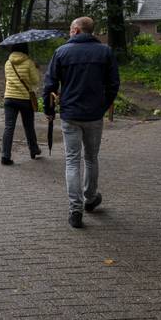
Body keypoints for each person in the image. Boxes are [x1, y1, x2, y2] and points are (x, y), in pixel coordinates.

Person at [43, 17, 120, 228]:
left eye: (70, 29)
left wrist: (49, 110)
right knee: (91, 158)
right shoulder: (105, 52)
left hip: (70, 114)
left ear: (76, 30)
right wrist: (102, 106)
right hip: (94, 115)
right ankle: (90, 197)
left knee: (72, 160)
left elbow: (49, 84)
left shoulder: (61, 52)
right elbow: (113, 84)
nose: (69, 33)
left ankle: (75, 208)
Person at [1, 42, 42, 165]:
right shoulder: (29, 62)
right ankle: (34, 150)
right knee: (28, 126)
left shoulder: (8, 63)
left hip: (9, 98)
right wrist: (35, 67)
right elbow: (36, 80)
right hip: (24, 99)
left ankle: (5, 156)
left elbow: (7, 79)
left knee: (8, 127)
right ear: (25, 49)